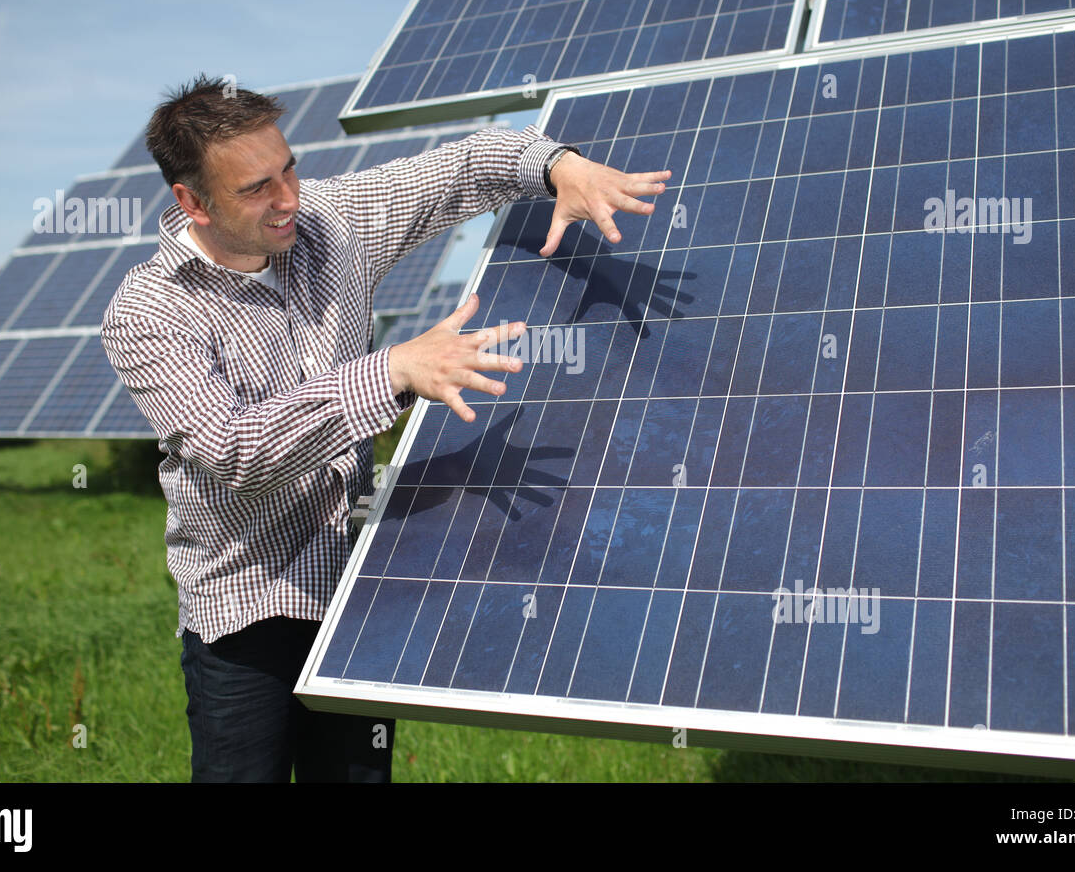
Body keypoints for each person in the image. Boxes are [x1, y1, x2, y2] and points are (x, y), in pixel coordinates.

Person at [100, 74, 671, 782]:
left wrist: (559, 166)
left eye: (290, 171)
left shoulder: (329, 224)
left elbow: (460, 168)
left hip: (353, 586)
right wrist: (393, 370)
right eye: (255, 189)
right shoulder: (149, 313)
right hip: (245, 605)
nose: (287, 200)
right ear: (192, 202)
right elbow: (234, 449)